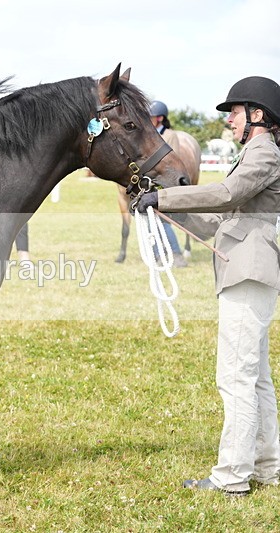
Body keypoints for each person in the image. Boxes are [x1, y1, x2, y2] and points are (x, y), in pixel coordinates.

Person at [138, 76, 280, 496]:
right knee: (255, 379)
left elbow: (226, 193)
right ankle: (269, 465)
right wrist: (164, 207)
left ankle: (232, 477)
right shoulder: (257, 153)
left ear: (257, 114)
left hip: (249, 270)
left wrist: (164, 200)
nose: (230, 122)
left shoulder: (264, 153)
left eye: (235, 113)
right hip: (245, 267)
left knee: (235, 377)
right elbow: (219, 221)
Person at [148, 101, 188, 267]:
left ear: (159, 118)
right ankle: (158, 254)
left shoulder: (170, 135)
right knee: (151, 220)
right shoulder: (148, 134)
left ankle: (176, 254)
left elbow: (173, 160)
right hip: (150, 182)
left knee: (163, 221)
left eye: (151, 116)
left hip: (164, 183)